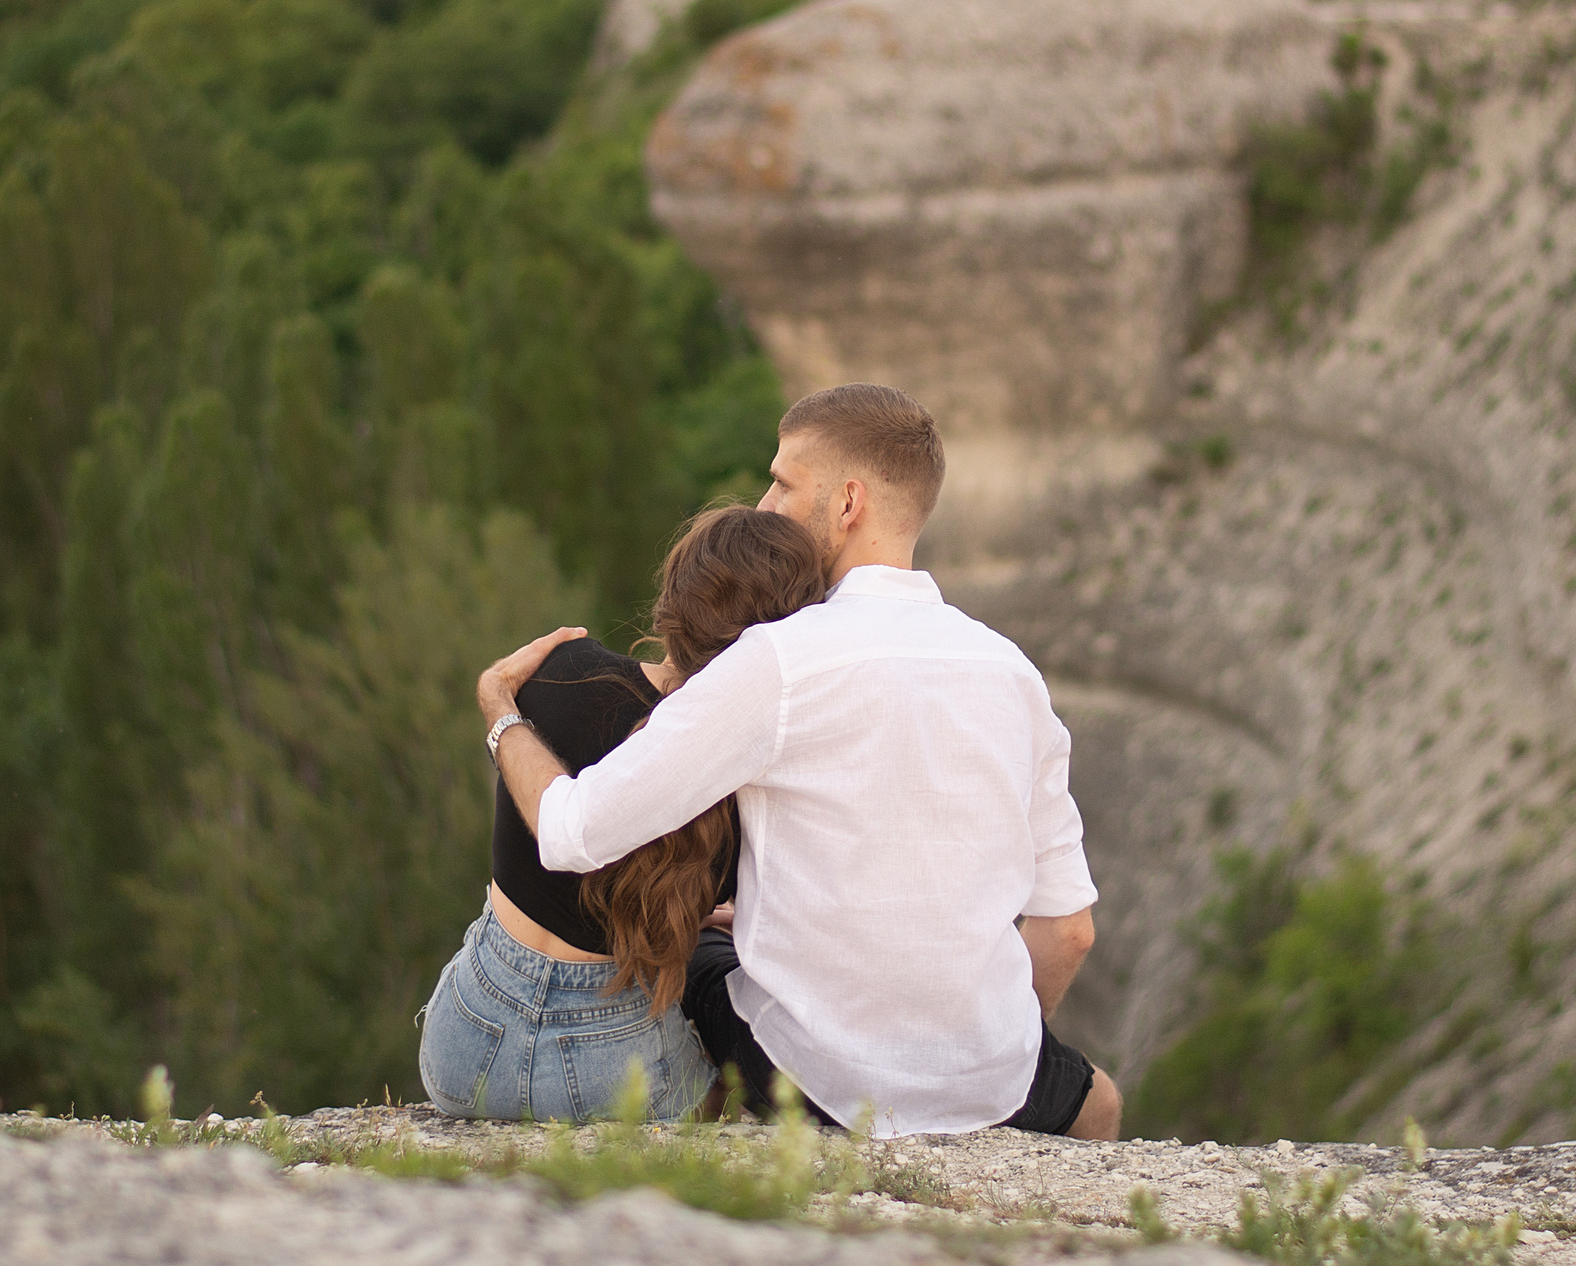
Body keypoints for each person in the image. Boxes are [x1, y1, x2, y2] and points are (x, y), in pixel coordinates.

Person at [477, 384, 1121, 1140]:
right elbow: (1069, 931)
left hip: (819, 1082)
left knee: (696, 947)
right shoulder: (1014, 673)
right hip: (992, 1077)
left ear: (848, 502)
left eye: (782, 482)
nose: (766, 504)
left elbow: (572, 830)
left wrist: (502, 714)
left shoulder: (778, 660)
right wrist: (977, 1056)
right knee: (1101, 1100)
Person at [419, 506, 829, 1121]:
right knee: (724, 1090)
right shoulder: (744, 790)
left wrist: (495, 699)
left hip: (464, 1046)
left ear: (671, 602)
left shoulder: (562, 672)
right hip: (614, 1071)